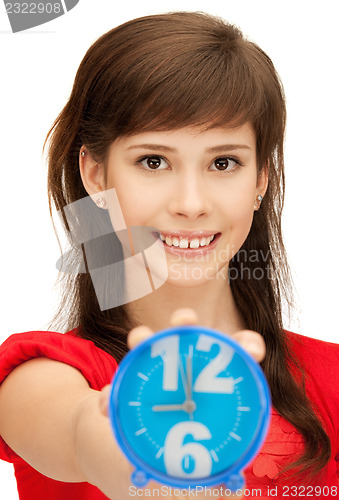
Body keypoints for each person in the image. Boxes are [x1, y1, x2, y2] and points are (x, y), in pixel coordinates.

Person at [0, 10, 338, 500]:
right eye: (153, 161)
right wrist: (141, 458)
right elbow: (81, 434)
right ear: (95, 176)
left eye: (224, 162)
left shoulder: (327, 380)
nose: (191, 204)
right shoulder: (45, 376)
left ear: (261, 178)